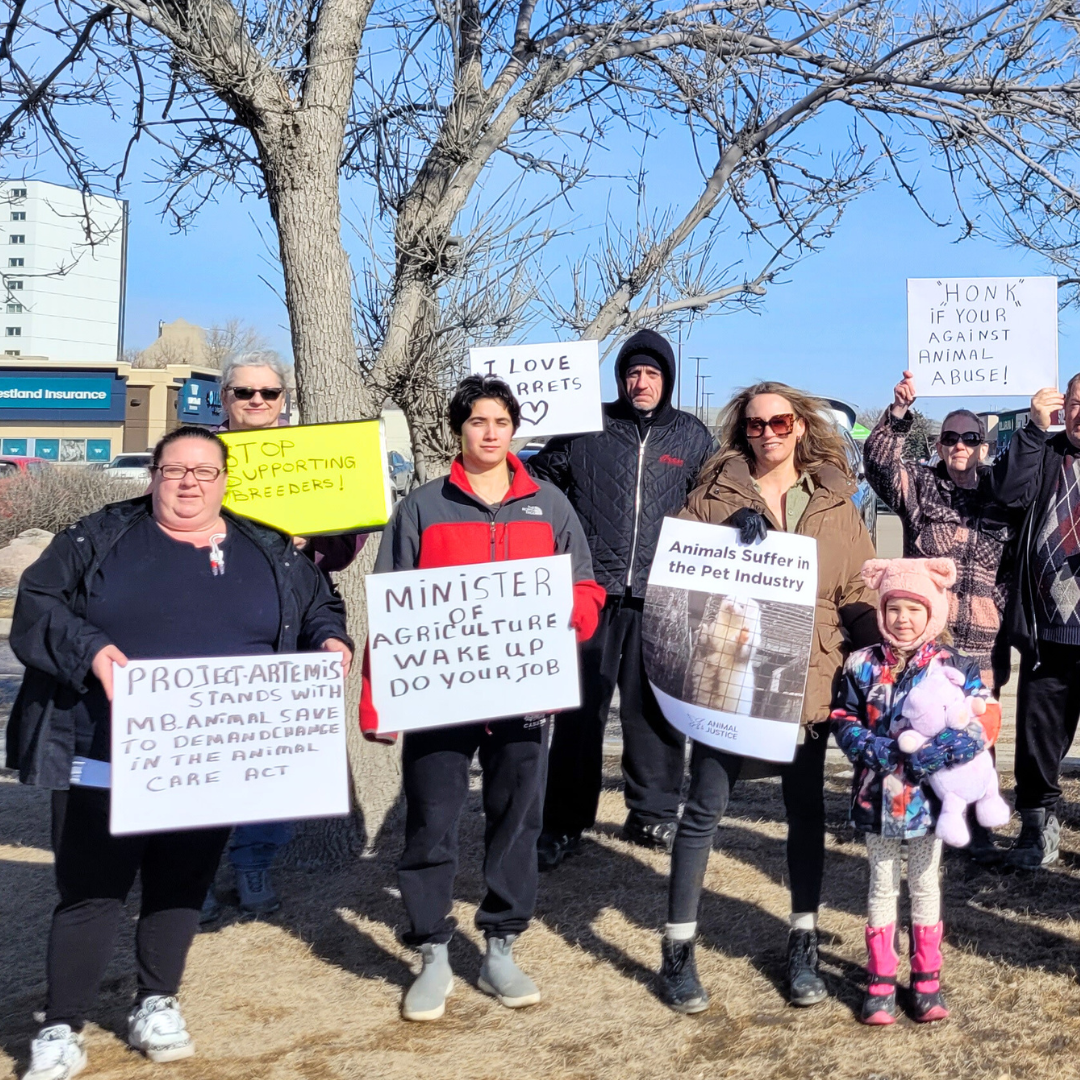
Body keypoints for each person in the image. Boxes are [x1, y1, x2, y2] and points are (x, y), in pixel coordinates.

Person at [7, 426, 351, 1080]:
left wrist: (331, 641)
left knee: (180, 884)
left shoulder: (267, 549)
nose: (189, 482)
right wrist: (92, 653)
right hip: (103, 752)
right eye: (174, 470)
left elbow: (318, 608)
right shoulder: (98, 537)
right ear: (153, 476)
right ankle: (60, 1027)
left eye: (203, 471)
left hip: (212, 758)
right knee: (90, 892)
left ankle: (156, 1000)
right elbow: (39, 601)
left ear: (225, 480)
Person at [360, 374, 605, 1023]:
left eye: (500, 422)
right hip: (440, 697)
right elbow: (392, 601)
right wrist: (377, 702)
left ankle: (501, 942)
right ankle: (432, 948)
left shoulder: (548, 505)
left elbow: (586, 587)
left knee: (517, 818)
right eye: (477, 422)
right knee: (432, 817)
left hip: (524, 691)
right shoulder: (422, 506)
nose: (489, 432)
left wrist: (573, 620)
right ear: (459, 430)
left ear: (513, 430)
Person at [657, 381, 877, 1014]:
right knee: (703, 809)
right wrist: (728, 538)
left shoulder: (837, 503)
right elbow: (678, 586)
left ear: (800, 427)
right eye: (756, 426)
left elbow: (858, 593)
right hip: (729, 679)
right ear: (742, 432)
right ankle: (678, 951)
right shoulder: (708, 499)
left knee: (805, 811)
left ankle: (803, 943)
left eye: (781, 423)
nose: (769, 434)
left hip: (807, 679)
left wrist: (899, 657)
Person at [528, 329, 715, 867]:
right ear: (620, 378)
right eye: (633, 373)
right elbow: (540, 479)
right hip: (593, 590)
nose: (641, 382)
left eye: (652, 374)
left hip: (659, 595)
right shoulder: (588, 427)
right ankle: (564, 821)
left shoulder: (691, 436)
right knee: (580, 713)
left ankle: (652, 814)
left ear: (668, 379)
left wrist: (745, 513)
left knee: (652, 711)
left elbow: (718, 491)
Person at [210, 352, 365, 916]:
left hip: (289, 626)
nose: (257, 402)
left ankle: (253, 864)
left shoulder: (312, 461)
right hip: (209, 628)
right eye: (244, 392)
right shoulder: (199, 456)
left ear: (284, 400)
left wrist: (312, 538)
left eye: (269, 393)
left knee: (271, 758)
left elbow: (345, 546)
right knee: (203, 753)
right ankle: (194, 871)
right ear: (224, 397)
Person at [830, 557, 997, 1024]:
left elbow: (981, 721)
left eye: (914, 609)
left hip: (929, 805)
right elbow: (842, 720)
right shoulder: (861, 665)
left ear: (933, 614)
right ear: (882, 612)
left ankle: (926, 979)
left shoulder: (954, 667)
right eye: (894, 609)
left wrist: (939, 752)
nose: (903, 619)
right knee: (881, 885)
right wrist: (876, 750)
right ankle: (880, 980)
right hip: (877, 800)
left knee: (925, 884)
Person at [864, 371, 1021, 861]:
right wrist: (898, 414)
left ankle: (978, 828)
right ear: (938, 443)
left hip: (984, 640)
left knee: (980, 731)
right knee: (925, 726)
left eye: (970, 438)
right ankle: (926, 817)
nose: (959, 445)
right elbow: (878, 463)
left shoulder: (1002, 495)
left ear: (983, 446)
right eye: (950, 437)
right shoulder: (921, 486)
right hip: (932, 640)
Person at [990, 377, 1080, 868]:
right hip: (1049, 629)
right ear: (1063, 407)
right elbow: (1006, 493)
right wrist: (1030, 429)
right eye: (1076, 403)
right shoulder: (1042, 450)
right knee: (1038, 735)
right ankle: (1035, 829)